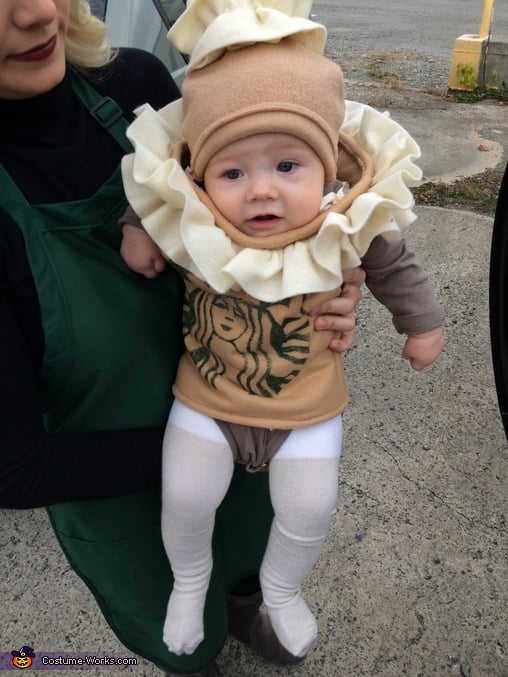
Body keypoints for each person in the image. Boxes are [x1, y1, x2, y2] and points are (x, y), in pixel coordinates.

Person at [0, 2, 363, 676]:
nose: (37, 11)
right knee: (179, 625)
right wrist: (215, 440)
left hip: (251, 420)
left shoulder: (135, 87)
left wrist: (323, 280)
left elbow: (269, 214)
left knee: (253, 546)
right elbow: (14, 467)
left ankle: (249, 604)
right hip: (126, 490)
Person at [120, 0, 445, 664]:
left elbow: (395, 263)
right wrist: (132, 230)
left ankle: (282, 588)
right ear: (201, 175)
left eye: (286, 167)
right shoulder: (193, 216)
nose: (261, 191)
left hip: (306, 407)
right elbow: (150, 197)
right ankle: (191, 582)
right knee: (185, 495)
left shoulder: (346, 221)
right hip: (207, 401)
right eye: (233, 172)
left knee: (310, 507)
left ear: (328, 168)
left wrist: (422, 323)